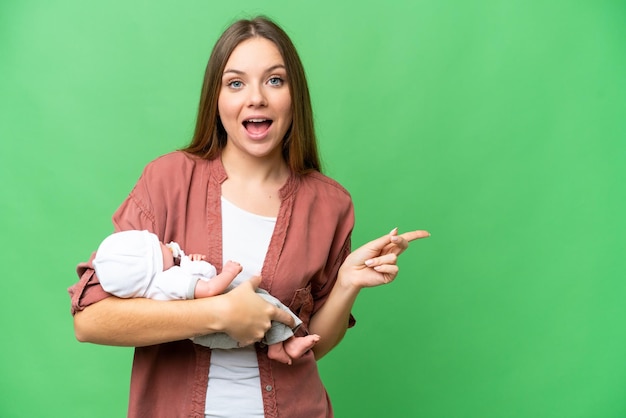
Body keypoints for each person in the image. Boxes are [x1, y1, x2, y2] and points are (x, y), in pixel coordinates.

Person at [68, 15, 429, 418]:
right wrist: (218, 314)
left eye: (274, 80)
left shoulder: (330, 205)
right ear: (216, 99)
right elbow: (91, 321)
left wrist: (346, 283)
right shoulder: (167, 180)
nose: (256, 97)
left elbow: (310, 345)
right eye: (235, 82)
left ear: (295, 96)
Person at [92, 229, 320, 364]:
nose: (167, 244)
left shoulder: (160, 284)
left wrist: (193, 262)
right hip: (217, 326)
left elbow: (192, 280)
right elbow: (209, 290)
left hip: (208, 332)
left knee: (265, 312)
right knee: (268, 305)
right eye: (160, 246)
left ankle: (283, 345)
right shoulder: (169, 280)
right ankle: (281, 348)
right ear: (151, 265)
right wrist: (230, 272)